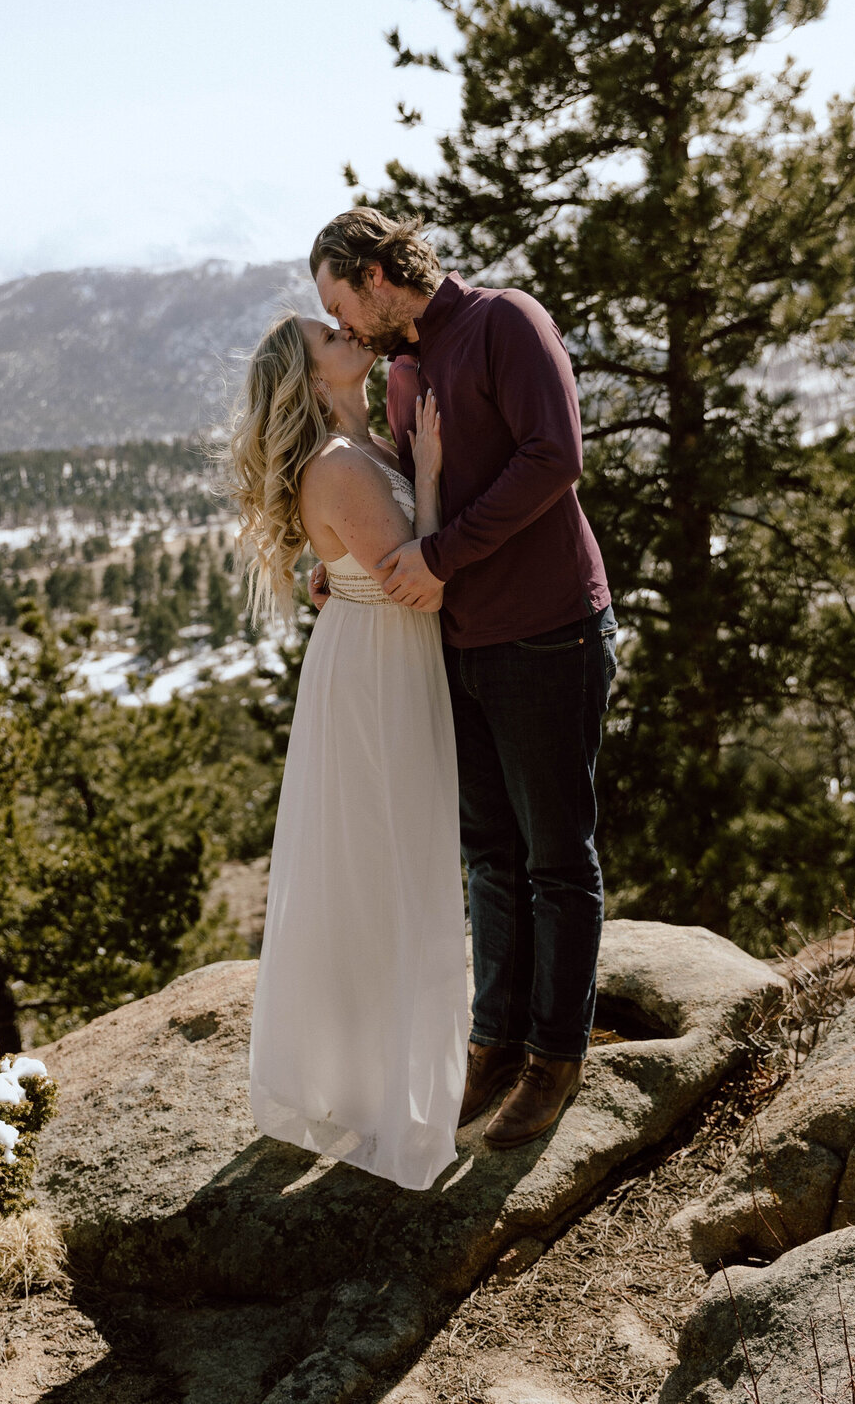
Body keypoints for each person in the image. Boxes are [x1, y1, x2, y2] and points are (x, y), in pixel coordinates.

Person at [310, 210, 616, 1150]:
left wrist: (442, 555)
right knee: (489, 853)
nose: (344, 327)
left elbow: (554, 459)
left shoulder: (506, 321)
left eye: (339, 304)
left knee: (556, 858)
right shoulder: (403, 371)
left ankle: (555, 1060)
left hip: (547, 634)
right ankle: (494, 1041)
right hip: (460, 649)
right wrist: (352, 559)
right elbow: (405, 494)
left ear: (377, 274)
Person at [230, 311, 467, 1191]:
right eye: (330, 336)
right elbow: (418, 588)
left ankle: (388, 1075)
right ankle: (375, 1089)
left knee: (392, 863)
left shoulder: (368, 446)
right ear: (311, 375)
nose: (348, 335)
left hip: (382, 660)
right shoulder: (337, 466)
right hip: (376, 672)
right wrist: (433, 478)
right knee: (385, 869)